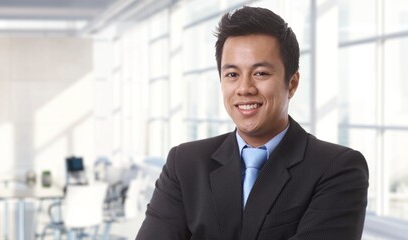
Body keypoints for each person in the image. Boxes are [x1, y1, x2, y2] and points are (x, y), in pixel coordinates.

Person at [136, 6, 368, 240]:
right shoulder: (185, 164)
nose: (245, 88)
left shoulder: (338, 169)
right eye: (232, 75)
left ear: (292, 83)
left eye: (260, 73)